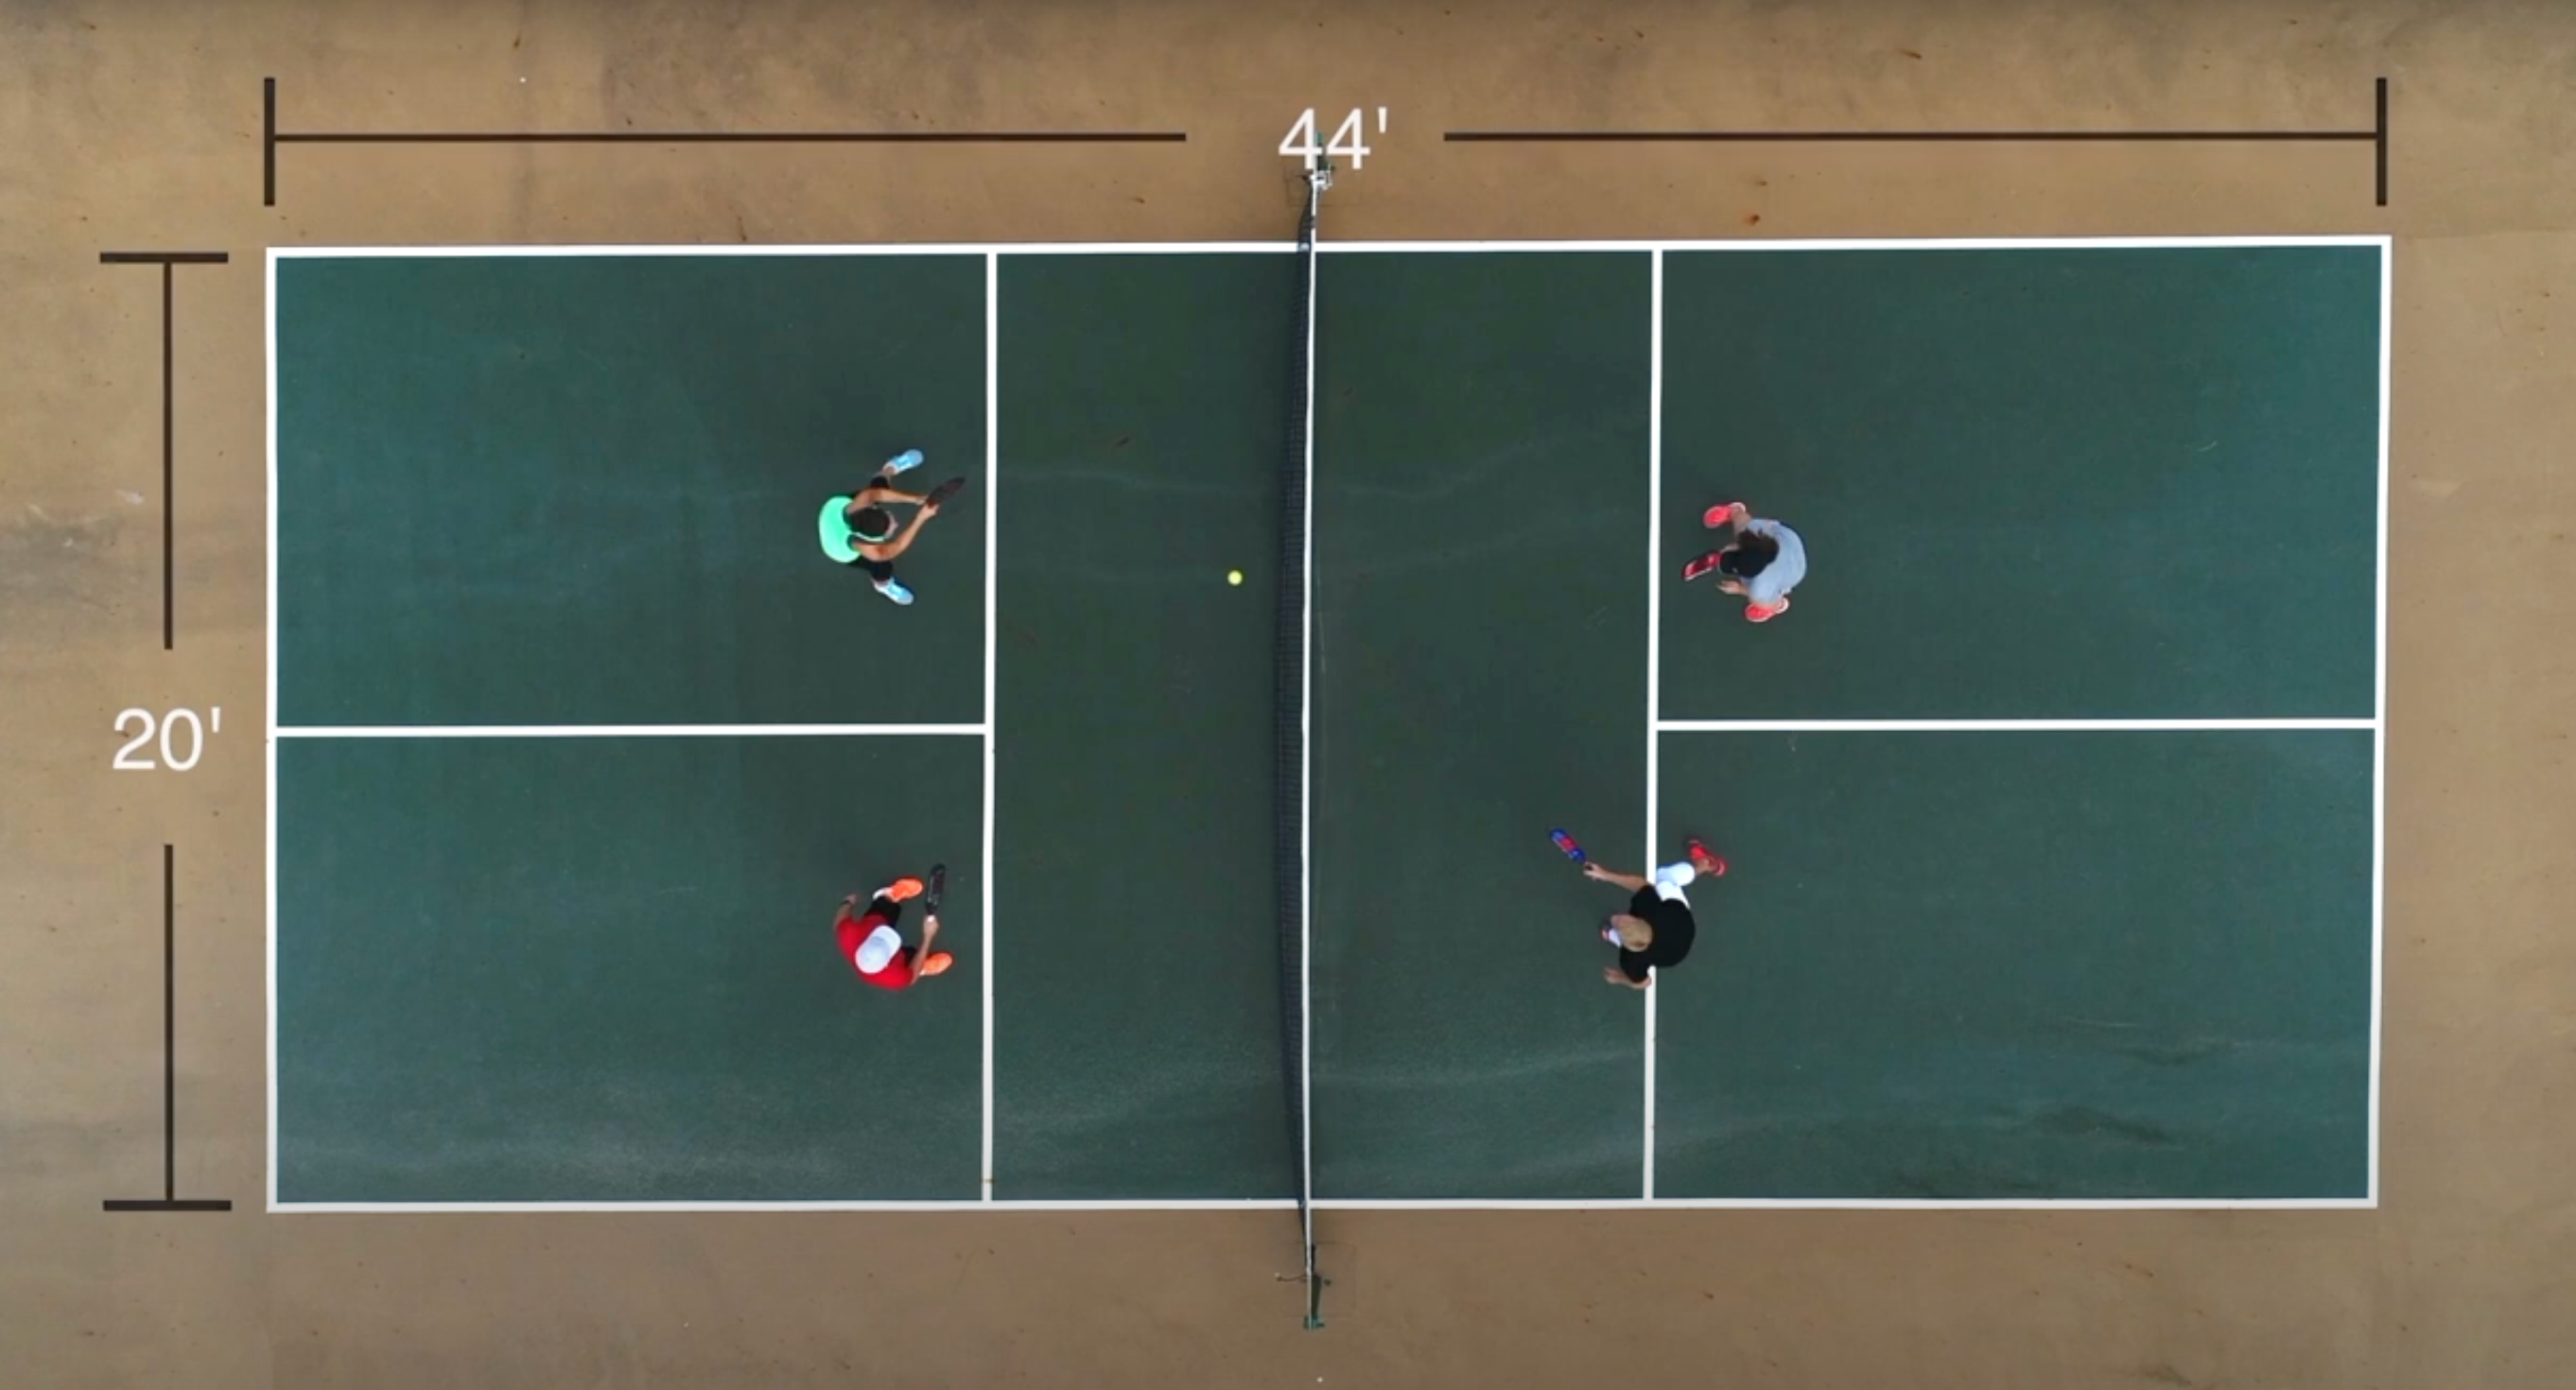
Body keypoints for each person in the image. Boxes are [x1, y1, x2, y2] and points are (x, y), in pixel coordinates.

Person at [1584, 838, 1724, 989]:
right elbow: (1640, 884)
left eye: (1617, 924)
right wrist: (1605, 875)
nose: (1614, 918)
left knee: (1634, 962)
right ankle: (1702, 866)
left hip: (1671, 949)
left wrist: (1621, 979)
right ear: (1639, 920)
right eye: (1623, 920)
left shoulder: (1630, 960)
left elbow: (1645, 983)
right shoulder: (1652, 909)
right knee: (1663, 877)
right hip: (1680, 919)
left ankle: (1705, 864)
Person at [818, 449, 946, 606]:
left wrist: (916, 499)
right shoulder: (873, 551)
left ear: (872, 509)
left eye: (891, 520)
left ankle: (890, 468)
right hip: (835, 548)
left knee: (878, 487)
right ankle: (883, 585)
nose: (897, 524)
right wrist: (920, 518)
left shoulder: (861, 502)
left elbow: (877, 494)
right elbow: (895, 547)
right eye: (891, 529)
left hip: (833, 510)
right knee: (883, 566)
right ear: (872, 539)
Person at [1683, 501, 1804, 622]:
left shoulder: (1759, 588)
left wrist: (1739, 589)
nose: (1725, 548)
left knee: (1760, 600)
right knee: (1744, 527)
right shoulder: (1756, 530)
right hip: (1787, 540)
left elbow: (1755, 592)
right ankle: (1734, 511)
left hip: (1793, 573)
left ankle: (1777, 605)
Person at [837, 875, 952, 991]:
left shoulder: (847, 935)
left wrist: (848, 902)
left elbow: (840, 918)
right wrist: (928, 937)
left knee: (884, 907)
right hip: (900, 962)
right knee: (911, 961)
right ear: (887, 964)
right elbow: (912, 977)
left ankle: (890, 895)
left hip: (876, 921)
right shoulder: (895, 977)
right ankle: (923, 966)